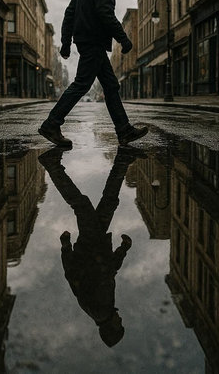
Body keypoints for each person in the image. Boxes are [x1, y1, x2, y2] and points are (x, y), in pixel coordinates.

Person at [38, 0, 148, 148]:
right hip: (94, 40)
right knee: (81, 84)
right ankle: (51, 124)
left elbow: (69, 12)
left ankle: (124, 130)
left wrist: (66, 42)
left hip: (86, 40)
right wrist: (123, 38)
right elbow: (105, 12)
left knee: (111, 86)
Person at [38, 146, 146, 346]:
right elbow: (75, 278)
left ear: (111, 328)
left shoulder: (102, 309)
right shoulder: (97, 311)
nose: (120, 320)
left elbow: (106, 271)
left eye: (119, 325)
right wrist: (66, 247)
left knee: (82, 204)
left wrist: (123, 249)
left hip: (92, 243)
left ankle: (52, 166)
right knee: (108, 202)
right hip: (94, 244)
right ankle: (122, 163)